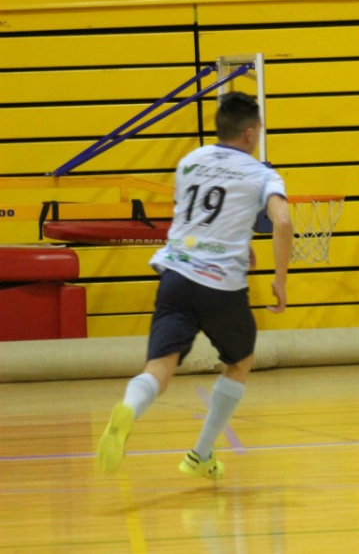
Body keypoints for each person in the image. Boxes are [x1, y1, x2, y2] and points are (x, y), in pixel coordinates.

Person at [96, 91, 292, 480]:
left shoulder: (190, 161)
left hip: (175, 276)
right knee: (240, 361)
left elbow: (200, 219)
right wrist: (279, 279)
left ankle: (130, 408)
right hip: (220, 285)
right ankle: (201, 454)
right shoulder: (262, 174)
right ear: (250, 132)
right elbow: (283, 222)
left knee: (159, 368)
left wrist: (241, 246)